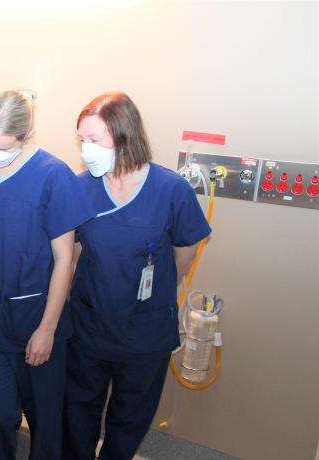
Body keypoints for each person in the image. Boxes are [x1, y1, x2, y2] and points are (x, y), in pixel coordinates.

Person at [62, 92, 212, 460]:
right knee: (77, 415)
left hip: (144, 334)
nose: (85, 150)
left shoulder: (170, 190)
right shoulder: (81, 189)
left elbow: (184, 254)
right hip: (89, 328)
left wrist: (154, 292)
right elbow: (73, 256)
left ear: (125, 136)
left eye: (94, 140)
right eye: (81, 139)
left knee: (129, 420)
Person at [0, 90, 95, 459]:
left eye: (2, 147)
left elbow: (65, 260)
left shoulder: (54, 177)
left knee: (46, 425)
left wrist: (47, 330)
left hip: (38, 320)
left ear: (27, 136)